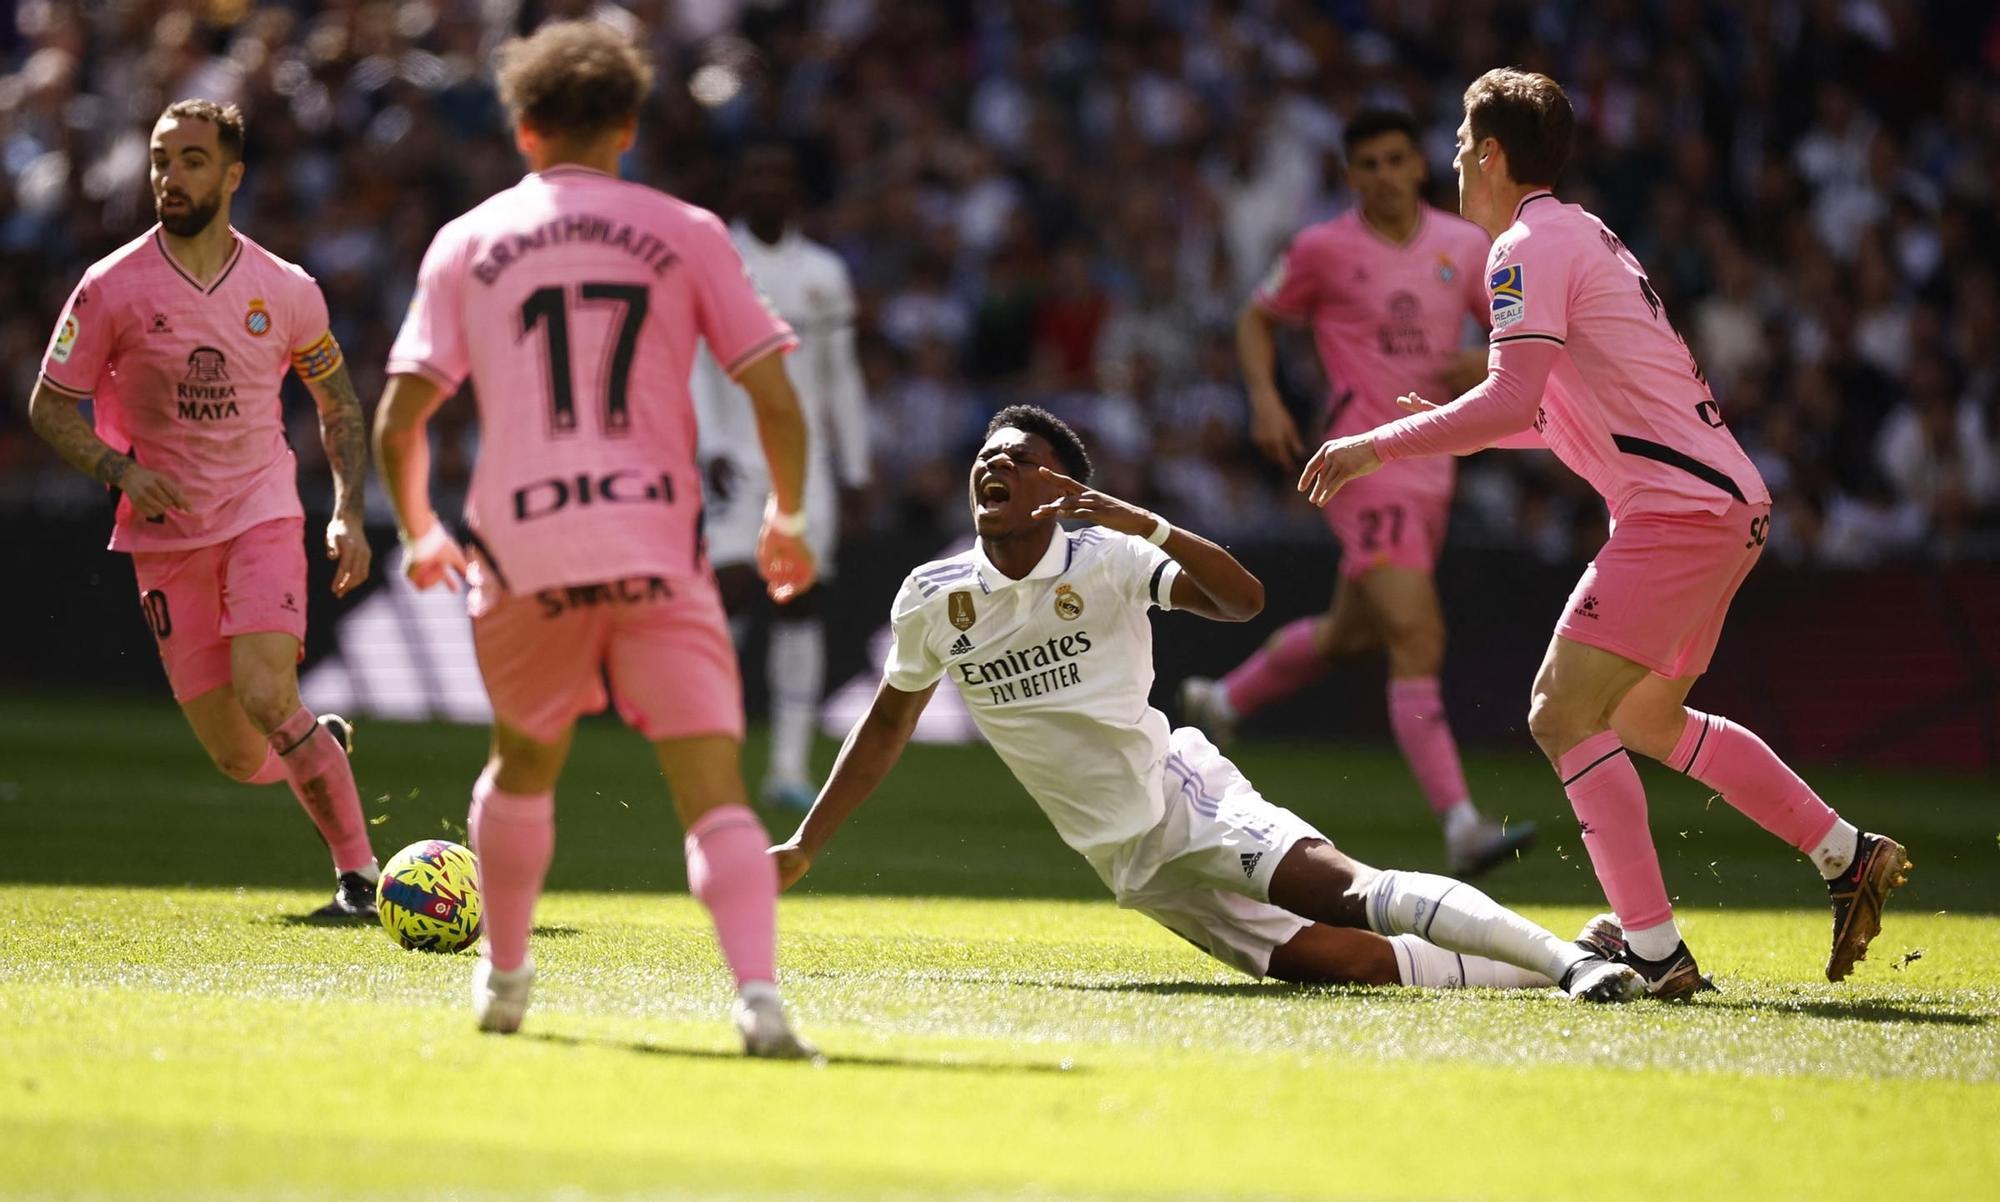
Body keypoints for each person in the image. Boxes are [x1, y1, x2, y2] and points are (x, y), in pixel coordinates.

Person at [1297, 69, 1910, 998]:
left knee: (1559, 711)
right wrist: (1454, 416)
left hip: (1677, 511)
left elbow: (1513, 396)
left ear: (1492, 154)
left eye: (1462, 145)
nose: (1454, 161)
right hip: (1721, 503)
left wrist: (1375, 443)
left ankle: (1655, 953)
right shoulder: (1580, 234)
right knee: (1643, 718)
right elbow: (1542, 413)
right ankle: (1844, 853)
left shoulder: (1522, 248)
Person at [770, 406, 1642, 1002]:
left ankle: (1568, 966)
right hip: (1127, 861)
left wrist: (1135, 519)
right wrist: (810, 842)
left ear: (1063, 490)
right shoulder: (931, 596)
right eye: (987, 455)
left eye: (1018, 457)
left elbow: (1243, 600)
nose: (995, 463)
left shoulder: (1105, 558)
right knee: (1342, 965)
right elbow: (888, 722)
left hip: (1182, 796)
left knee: (1344, 892)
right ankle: (1589, 957)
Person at [372, 21, 818, 1057]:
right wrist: (785, 517)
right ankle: (757, 997)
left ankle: (509, 977)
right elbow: (775, 400)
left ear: (523, 128)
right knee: (712, 793)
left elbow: (402, 420)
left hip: (524, 550)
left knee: (523, 764)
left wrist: (423, 530)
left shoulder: (466, 241)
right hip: (655, 545)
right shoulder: (688, 229)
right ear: (626, 125)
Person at [28, 99, 379, 918]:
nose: (169, 175)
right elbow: (49, 405)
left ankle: (358, 879)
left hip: (262, 510)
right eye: (159, 158)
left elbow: (338, 403)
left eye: (190, 159)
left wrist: (347, 511)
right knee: (236, 755)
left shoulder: (286, 289)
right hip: (166, 534)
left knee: (265, 691)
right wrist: (119, 469)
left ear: (232, 175)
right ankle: (314, 745)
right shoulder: (109, 287)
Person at [1180, 110, 1529, 877]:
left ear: (1419, 166)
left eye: (1395, 159)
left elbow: (1511, 335)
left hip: (1433, 461)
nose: (1382, 175)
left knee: (1352, 633)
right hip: (1359, 466)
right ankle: (1463, 826)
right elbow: (1255, 318)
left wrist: (1477, 365)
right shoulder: (1322, 250)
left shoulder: (1465, 246)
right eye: (1366, 163)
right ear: (1350, 175)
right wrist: (1266, 400)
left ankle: (1223, 702)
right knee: (1417, 635)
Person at [690, 138, 871, 810]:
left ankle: (789, 769)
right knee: (728, 591)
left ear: (796, 189)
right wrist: (706, 444)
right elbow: (694, 363)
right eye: (756, 173)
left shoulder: (824, 272)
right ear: (740, 188)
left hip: (807, 467)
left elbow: (841, 379)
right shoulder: (714, 261)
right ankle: (712, 742)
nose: (768, 186)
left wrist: (854, 468)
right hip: (734, 460)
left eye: (779, 174)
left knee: (799, 601)